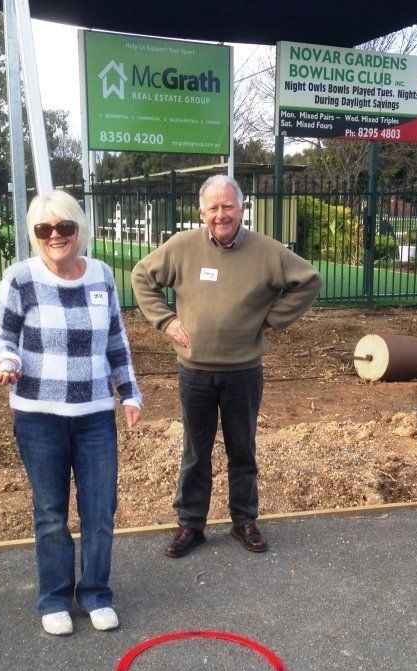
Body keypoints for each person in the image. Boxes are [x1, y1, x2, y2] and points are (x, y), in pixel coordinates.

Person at [131, 175, 322, 558]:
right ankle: (191, 524)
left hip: (243, 371)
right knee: (195, 451)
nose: (221, 214)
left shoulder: (267, 252)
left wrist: (274, 318)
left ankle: (244, 520)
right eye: (213, 208)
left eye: (228, 206)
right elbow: (142, 276)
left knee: (242, 449)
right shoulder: (181, 247)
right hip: (195, 371)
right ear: (202, 212)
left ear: (242, 208)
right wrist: (166, 321)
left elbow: (310, 281)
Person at [0, 189, 141, 637]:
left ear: (79, 228)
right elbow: (2, 335)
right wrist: (7, 359)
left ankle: (95, 593)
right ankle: (54, 598)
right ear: (34, 234)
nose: (55, 235)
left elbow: (116, 339)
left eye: (65, 226)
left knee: (100, 510)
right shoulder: (21, 278)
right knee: (51, 512)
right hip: (39, 416)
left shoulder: (102, 275)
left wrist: (129, 393)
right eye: (44, 229)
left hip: (94, 414)